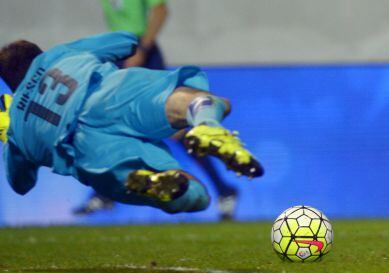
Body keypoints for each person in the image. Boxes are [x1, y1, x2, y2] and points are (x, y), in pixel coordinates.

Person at [75, 0, 241, 220]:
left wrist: (143, 47)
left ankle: (223, 188)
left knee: (170, 129)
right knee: (118, 123)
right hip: (123, 58)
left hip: (143, 55)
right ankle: (105, 192)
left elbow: (160, 8)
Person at [0, 32, 264, 214]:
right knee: (203, 101)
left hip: (89, 151)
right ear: (38, 55)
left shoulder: (17, 129)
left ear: (11, 84)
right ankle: (208, 125)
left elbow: (20, 183)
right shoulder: (60, 55)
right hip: (109, 95)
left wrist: (8, 136)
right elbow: (126, 41)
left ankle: (145, 181)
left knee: (197, 197)